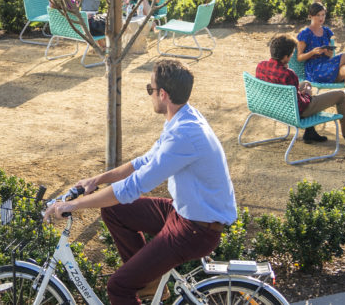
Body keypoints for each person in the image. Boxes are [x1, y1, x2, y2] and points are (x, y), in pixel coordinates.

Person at [43, 60, 233, 305]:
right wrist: (97, 179)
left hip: (195, 229)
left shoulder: (184, 134)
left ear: (163, 94)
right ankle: (148, 285)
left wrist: (74, 205)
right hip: (185, 213)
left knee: (119, 287)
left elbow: (132, 188)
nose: (150, 94)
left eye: (150, 89)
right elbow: (144, 161)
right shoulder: (183, 118)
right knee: (114, 210)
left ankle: (136, 286)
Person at [257, 35, 345, 147]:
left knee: (305, 84)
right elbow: (302, 105)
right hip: (297, 111)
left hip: (277, 107)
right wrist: (307, 95)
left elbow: (281, 87)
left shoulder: (261, 66)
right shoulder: (289, 74)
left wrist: (302, 90)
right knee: (340, 95)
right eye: (292, 53)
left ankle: (310, 132)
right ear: (286, 57)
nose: (292, 55)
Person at [295, 3, 345, 89]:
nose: (321, 18)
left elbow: (330, 56)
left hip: (328, 67)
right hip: (315, 70)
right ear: (310, 16)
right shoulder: (305, 34)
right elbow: (299, 57)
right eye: (318, 15)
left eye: (323, 15)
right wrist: (313, 52)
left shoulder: (326, 31)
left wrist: (328, 52)